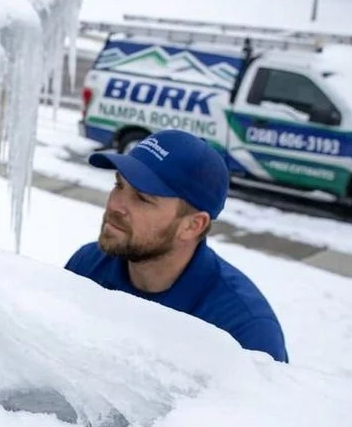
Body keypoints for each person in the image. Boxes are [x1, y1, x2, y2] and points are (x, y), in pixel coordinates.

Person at [64, 130, 289, 362]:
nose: (115, 205)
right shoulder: (88, 265)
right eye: (118, 185)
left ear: (192, 225)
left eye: (142, 198)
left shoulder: (244, 331)